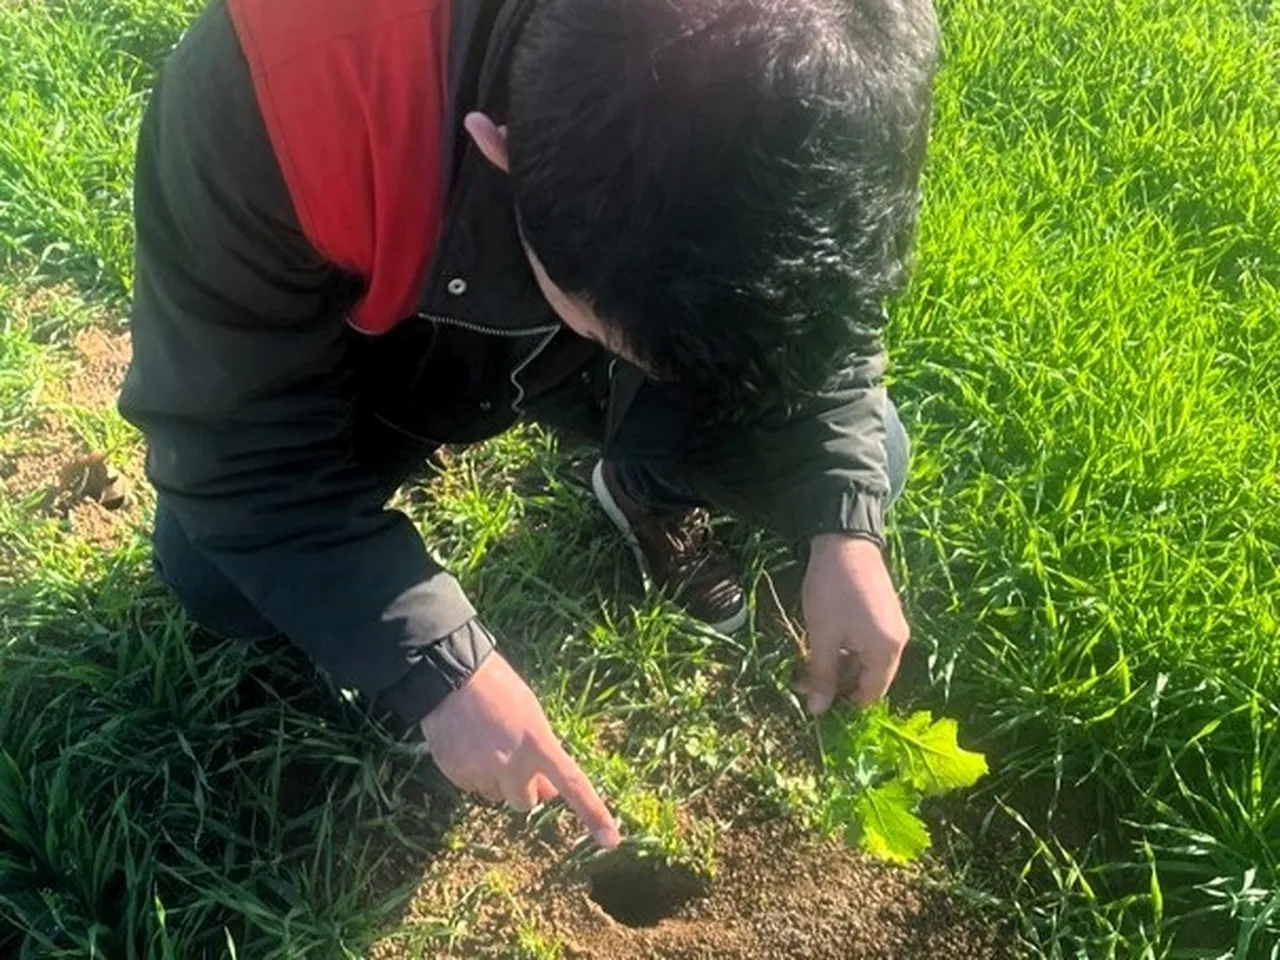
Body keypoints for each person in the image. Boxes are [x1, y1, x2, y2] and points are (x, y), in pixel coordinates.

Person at [119, 0, 939, 849]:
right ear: (500, 145)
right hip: (388, 345)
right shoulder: (281, 86)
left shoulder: (843, 39)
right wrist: (433, 669)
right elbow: (238, 451)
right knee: (212, 572)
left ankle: (641, 480)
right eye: (610, 331)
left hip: (566, 267)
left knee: (872, 452)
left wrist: (845, 518)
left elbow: (824, 292)